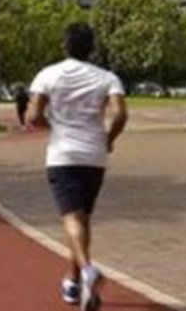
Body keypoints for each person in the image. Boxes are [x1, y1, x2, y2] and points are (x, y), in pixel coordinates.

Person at [29, 23, 127, 309]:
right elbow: (120, 114)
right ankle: (74, 283)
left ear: (64, 45)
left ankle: (86, 269)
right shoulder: (107, 78)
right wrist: (108, 139)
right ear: (91, 48)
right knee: (82, 218)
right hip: (94, 156)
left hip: (63, 155)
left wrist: (54, 128)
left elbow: (33, 115)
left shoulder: (48, 74)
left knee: (71, 217)